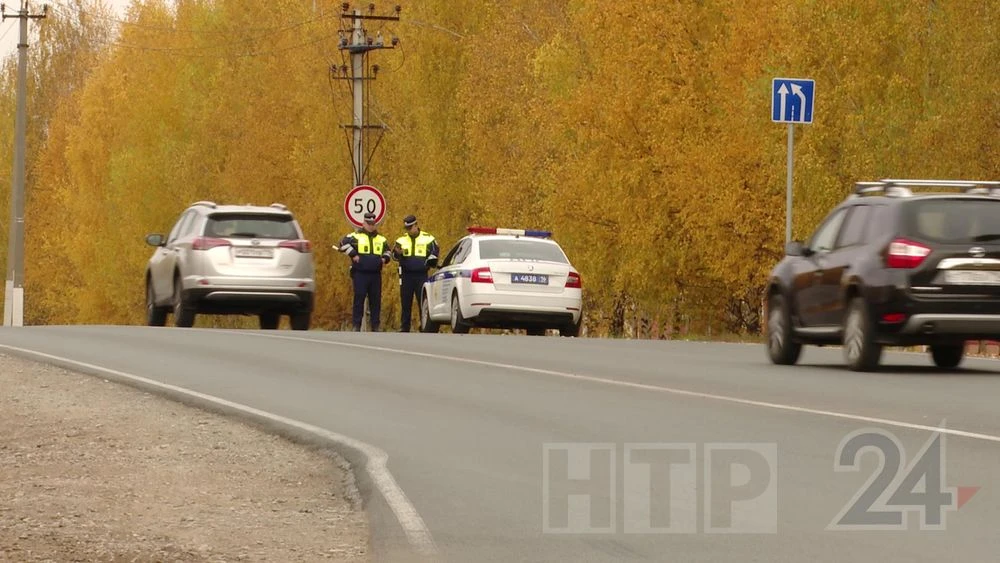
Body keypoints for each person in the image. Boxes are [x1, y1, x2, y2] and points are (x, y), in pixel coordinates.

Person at [339, 212, 391, 331]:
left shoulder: (381, 238)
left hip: (375, 274)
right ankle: (356, 325)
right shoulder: (355, 236)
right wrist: (353, 254)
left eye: (373, 224)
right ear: (364, 223)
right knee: (359, 299)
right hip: (360, 273)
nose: (371, 226)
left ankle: (375, 326)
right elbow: (342, 244)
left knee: (375, 300)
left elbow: (388, 251)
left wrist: (384, 259)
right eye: (369, 224)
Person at [392, 214, 439, 332]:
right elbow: (394, 255)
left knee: (423, 302)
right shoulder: (401, 240)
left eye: (410, 227)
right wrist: (398, 253)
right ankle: (405, 326)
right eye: (406, 228)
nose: (409, 230)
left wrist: (429, 262)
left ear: (416, 225)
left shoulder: (428, 239)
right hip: (406, 275)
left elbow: (435, 253)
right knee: (405, 301)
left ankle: (424, 325)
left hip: (421, 275)